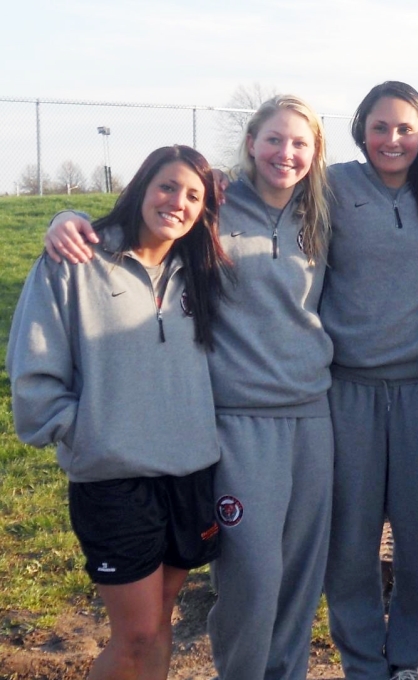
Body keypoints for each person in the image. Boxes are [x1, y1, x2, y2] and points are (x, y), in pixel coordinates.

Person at [44, 94, 336, 680]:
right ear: (250, 143)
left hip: (312, 413)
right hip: (236, 418)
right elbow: (145, 225)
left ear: (316, 152)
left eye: (300, 142)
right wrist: (66, 218)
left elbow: (398, 189)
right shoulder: (214, 207)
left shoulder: (325, 212)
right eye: (273, 139)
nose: (286, 152)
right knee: (253, 577)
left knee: (302, 577)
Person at [7, 145, 230, 680]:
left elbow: (273, 175)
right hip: (114, 479)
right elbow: (33, 367)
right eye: (167, 186)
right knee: (135, 635)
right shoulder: (76, 259)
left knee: (160, 622)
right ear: (141, 187)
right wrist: (87, 434)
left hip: (189, 472)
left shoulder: (197, 268)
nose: (177, 202)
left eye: (193, 195)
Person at [320, 81, 418, 680]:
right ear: (361, 131)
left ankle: (411, 655)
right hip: (347, 388)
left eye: (405, 128)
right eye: (380, 127)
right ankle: (360, 657)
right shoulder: (330, 186)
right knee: (349, 536)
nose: (392, 139)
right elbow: (253, 192)